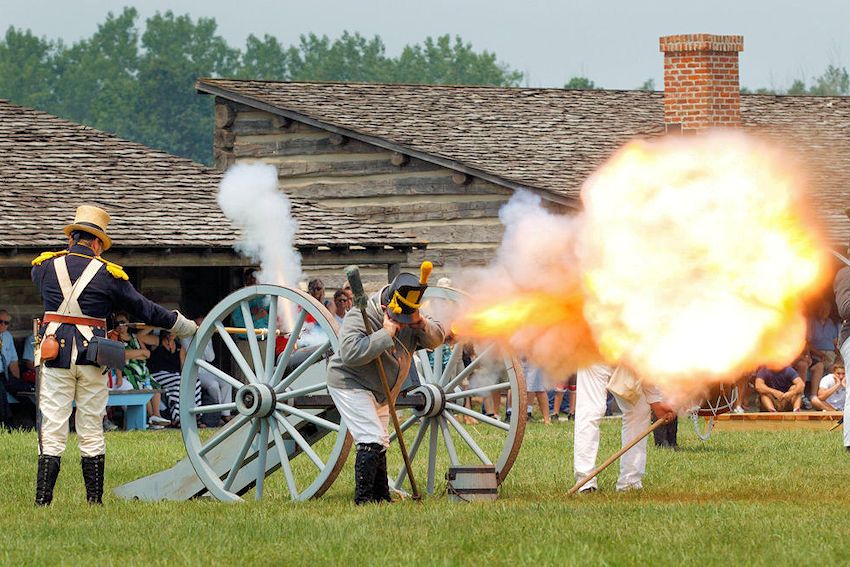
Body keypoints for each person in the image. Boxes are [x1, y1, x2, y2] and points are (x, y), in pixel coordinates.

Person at [30, 205, 197, 505]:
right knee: (91, 426)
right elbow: (145, 309)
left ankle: (43, 500)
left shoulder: (43, 267)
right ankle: (94, 501)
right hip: (93, 357)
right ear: (96, 243)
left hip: (54, 355)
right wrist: (181, 325)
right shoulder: (109, 275)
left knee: (53, 425)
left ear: (72, 238)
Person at [327, 265, 445, 504]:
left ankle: (381, 497)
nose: (402, 323)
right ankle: (363, 500)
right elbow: (349, 353)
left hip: (382, 389)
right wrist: (386, 333)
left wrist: (421, 323)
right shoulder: (361, 315)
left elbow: (437, 338)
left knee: (380, 440)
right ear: (384, 307)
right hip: (351, 382)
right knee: (370, 438)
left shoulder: (411, 315)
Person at [573, 364, 675, 493]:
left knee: (638, 410)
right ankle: (585, 482)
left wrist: (655, 400)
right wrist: (655, 400)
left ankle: (629, 481)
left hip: (624, 356)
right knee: (590, 412)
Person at [112, 312, 169, 427]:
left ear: (128, 324)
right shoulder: (115, 338)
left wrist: (132, 354)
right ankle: (149, 417)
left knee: (155, 387)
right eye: (117, 323)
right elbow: (120, 355)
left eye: (122, 322)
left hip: (142, 369)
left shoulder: (135, 338)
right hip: (129, 371)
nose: (120, 325)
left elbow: (147, 353)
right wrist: (139, 353)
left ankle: (156, 416)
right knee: (141, 387)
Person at [148, 330, 201, 427]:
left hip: (174, 375)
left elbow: (183, 366)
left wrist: (188, 378)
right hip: (157, 374)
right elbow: (139, 337)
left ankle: (195, 413)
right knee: (178, 381)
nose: (172, 333)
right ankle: (177, 417)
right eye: (170, 331)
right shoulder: (157, 341)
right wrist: (155, 325)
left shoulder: (179, 347)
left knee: (195, 381)